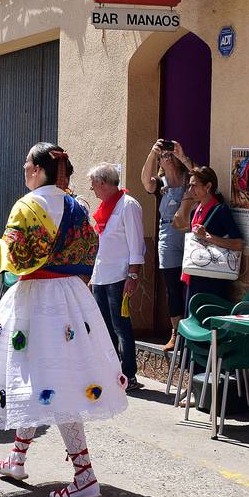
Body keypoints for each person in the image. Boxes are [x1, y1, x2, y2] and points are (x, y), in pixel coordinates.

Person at [0, 143, 128, 497]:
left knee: (40, 375)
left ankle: (84, 473)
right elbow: (89, 252)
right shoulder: (77, 206)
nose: (23, 168)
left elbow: (10, 258)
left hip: (38, 298)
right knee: (43, 378)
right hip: (70, 298)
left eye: (26, 164)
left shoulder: (28, 205)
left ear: (37, 169)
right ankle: (17, 458)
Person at [87, 163, 146, 392]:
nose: (92, 190)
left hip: (120, 276)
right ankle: (111, 373)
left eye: (94, 186)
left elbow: (136, 245)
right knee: (105, 328)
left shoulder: (128, 205)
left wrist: (133, 276)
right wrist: (94, 274)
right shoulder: (106, 207)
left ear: (103, 183)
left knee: (121, 326)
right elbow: (103, 246)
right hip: (102, 275)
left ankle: (129, 375)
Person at [140, 139, 194, 350]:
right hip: (168, 234)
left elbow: (202, 176)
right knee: (172, 285)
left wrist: (184, 157)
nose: (167, 157)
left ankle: (191, 331)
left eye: (170, 154)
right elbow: (145, 181)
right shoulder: (159, 185)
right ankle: (176, 333)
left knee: (190, 283)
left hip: (189, 233)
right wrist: (152, 154)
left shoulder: (188, 178)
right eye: (164, 155)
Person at [172, 166, 243, 312]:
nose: (191, 190)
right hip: (195, 275)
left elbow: (238, 244)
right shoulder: (195, 211)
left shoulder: (221, 211)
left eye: (195, 186)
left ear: (208, 186)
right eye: (189, 186)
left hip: (213, 278)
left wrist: (209, 237)